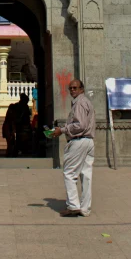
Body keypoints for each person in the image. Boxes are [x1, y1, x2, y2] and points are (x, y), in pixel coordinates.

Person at [49, 79, 95, 217]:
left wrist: (62, 130)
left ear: (82, 89)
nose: (73, 90)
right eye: (70, 88)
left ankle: (74, 206)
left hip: (79, 140)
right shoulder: (86, 102)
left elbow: (80, 125)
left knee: (69, 173)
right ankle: (85, 208)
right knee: (86, 175)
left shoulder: (80, 103)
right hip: (88, 141)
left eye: (75, 88)